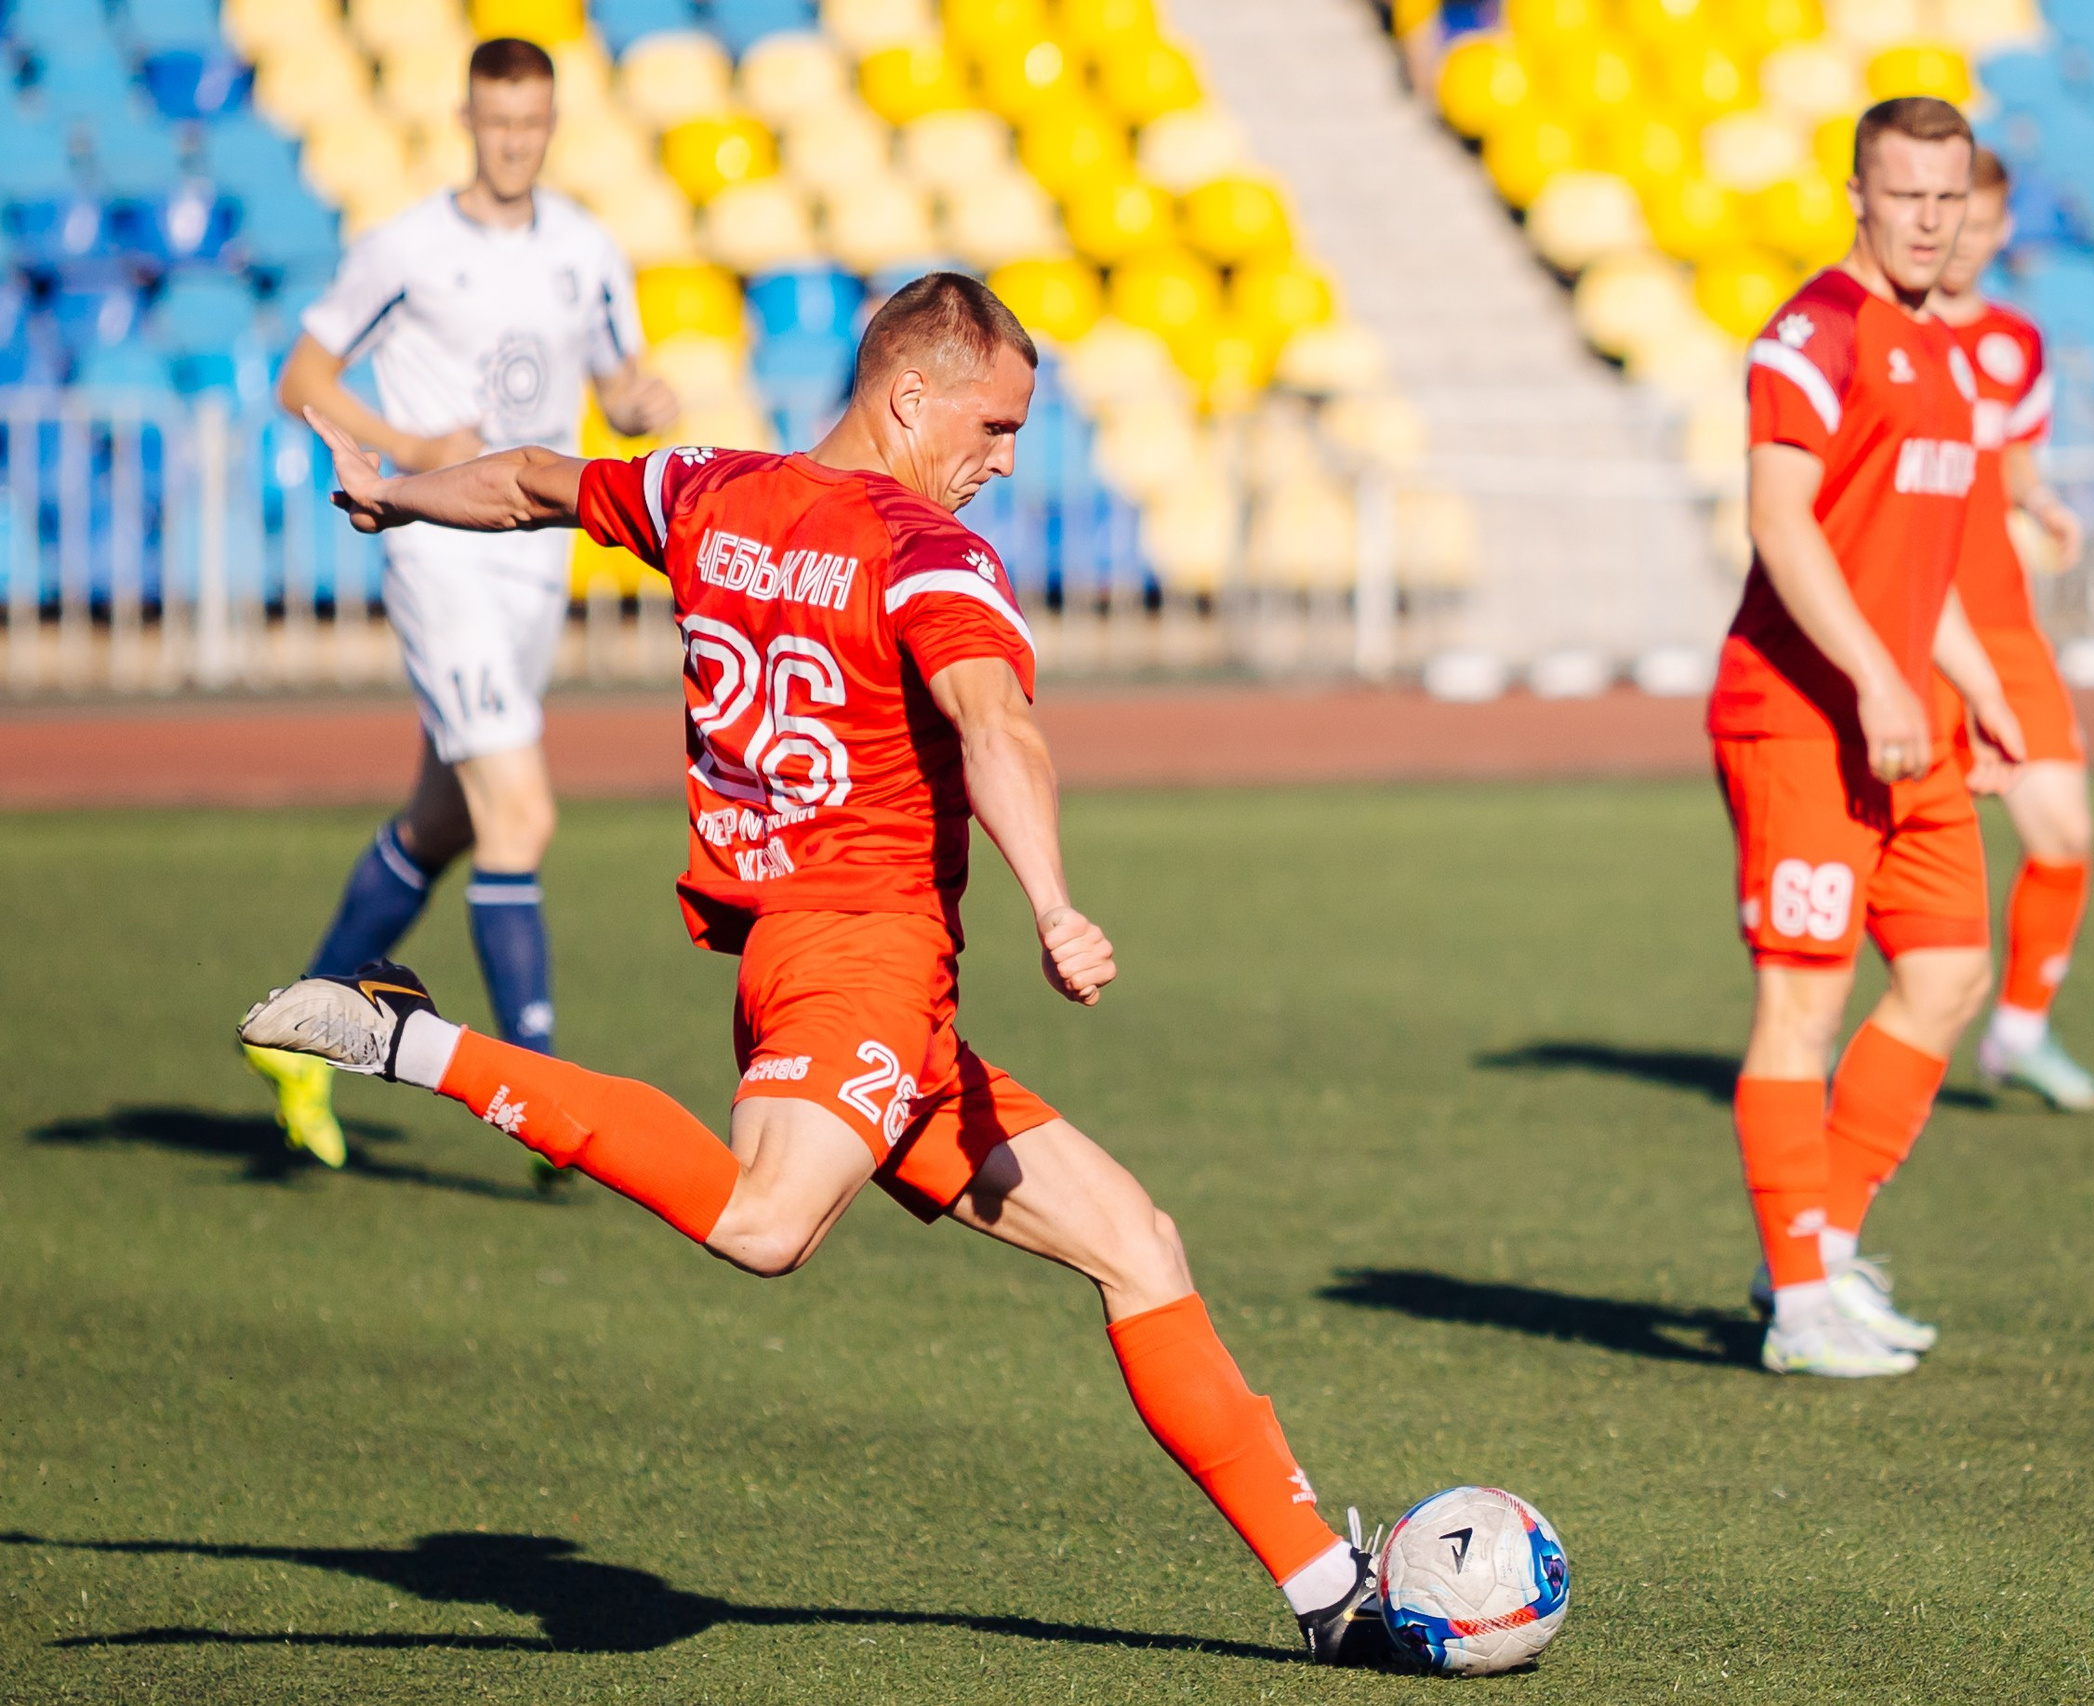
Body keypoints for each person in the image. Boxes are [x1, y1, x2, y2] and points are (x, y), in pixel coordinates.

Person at [238, 274, 1393, 1665]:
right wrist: (1054, 902)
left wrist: (396, 497)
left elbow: (534, 481)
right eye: (995, 425)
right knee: (765, 1223)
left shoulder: (708, 491)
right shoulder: (926, 552)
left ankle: (1329, 1593)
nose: (1005, 459)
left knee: (1136, 1246)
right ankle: (411, 1037)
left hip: (845, 974)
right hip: (862, 956)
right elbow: (997, 725)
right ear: (909, 396)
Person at [242, 37, 680, 1171]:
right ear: (468, 120)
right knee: (518, 815)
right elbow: (303, 377)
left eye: (531, 124)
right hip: (440, 557)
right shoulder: (408, 247)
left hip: (535, 563)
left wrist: (642, 402)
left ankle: (298, 1030)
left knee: (444, 818)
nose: (514, 142)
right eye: (497, 122)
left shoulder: (587, 249)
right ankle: (547, 1097)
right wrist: (408, 447)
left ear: (552, 123)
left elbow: (619, 383)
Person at [1712, 98, 2027, 1378]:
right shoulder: (1813, 334)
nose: (1929, 220)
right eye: (1906, 195)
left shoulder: (1940, 350)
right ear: (1856, 196)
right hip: (1800, 715)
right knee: (1803, 1002)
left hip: (1905, 719)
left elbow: (1912, 556)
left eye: (1948, 198)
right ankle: (1799, 1310)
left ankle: (1820, 1250)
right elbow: (1781, 522)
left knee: (1949, 971)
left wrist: (1978, 684)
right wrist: (1875, 677)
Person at [1927, 146, 2094, 1112]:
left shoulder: (2014, 342)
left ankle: (2020, 1032)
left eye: (1986, 223)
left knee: (2064, 832)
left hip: (2001, 625)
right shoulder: (1881, 332)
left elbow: (2013, 457)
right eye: (1954, 217)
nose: (1967, 239)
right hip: (1911, 631)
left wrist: (2040, 503)